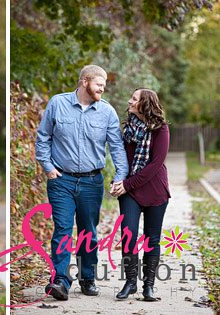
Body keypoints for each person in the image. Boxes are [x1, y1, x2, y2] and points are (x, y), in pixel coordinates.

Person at [35, 65, 129, 300]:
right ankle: (60, 280)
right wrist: (48, 167)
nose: (102, 89)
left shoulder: (107, 112)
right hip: (61, 181)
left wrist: (120, 176)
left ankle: (87, 278)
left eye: (104, 86)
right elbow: (43, 137)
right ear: (85, 81)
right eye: (99, 84)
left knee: (88, 232)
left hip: (91, 182)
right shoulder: (58, 104)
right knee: (63, 230)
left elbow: (117, 148)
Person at [111, 88, 169, 301]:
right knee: (129, 235)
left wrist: (127, 184)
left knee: (152, 239)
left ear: (144, 103)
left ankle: (149, 286)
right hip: (130, 192)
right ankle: (130, 282)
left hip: (155, 190)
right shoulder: (128, 130)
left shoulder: (160, 130)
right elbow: (122, 161)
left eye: (134, 99)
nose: (129, 101)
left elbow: (155, 165)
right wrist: (118, 183)